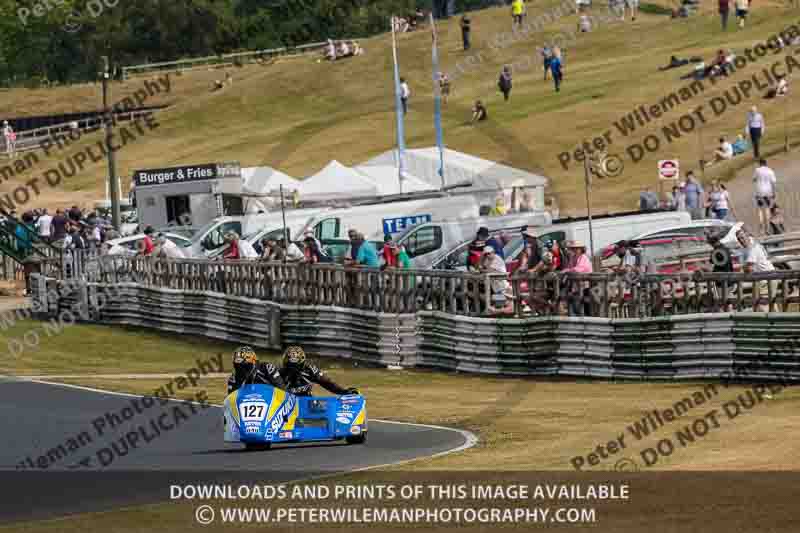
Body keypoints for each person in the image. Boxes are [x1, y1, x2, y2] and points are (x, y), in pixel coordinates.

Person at [278, 346, 357, 396]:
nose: (293, 369)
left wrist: (344, 391)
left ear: (302, 363)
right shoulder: (278, 374)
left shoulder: (310, 370)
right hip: (284, 405)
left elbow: (327, 383)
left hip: (306, 403)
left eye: (296, 366)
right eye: (290, 366)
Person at [480, 246, 512, 314]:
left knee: (506, 305)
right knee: (499, 304)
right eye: (486, 254)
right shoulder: (487, 259)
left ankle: (493, 311)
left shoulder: (497, 259)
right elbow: (480, 267)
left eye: (489, 253)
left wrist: (482, 269)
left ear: (493, 252)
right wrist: (481, 258)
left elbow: (490, 270)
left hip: (502, 287)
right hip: (495, 287)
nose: (487, 255)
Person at [753, 159, 777, 235]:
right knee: (767, 209)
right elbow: (773, 183)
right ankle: (767, 228)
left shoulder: (757, 170)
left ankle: (761, 225)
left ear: (760, 164)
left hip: (759, 192)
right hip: (768, 192)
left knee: (760, 209)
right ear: (766, 164)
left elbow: (754, 179)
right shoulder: (770, 171)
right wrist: (774, 193)